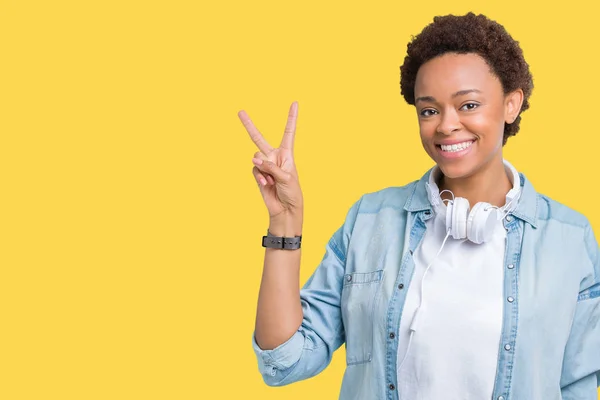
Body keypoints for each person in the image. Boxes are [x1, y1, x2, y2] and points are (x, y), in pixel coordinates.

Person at [238, 12, 600, 400]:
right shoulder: (369, 221)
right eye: (429, 110)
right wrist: (284, 222)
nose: (446, 125)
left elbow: (577, 385)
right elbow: (285, 360)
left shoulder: (569, 238)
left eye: (468, 105)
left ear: (511, 105)